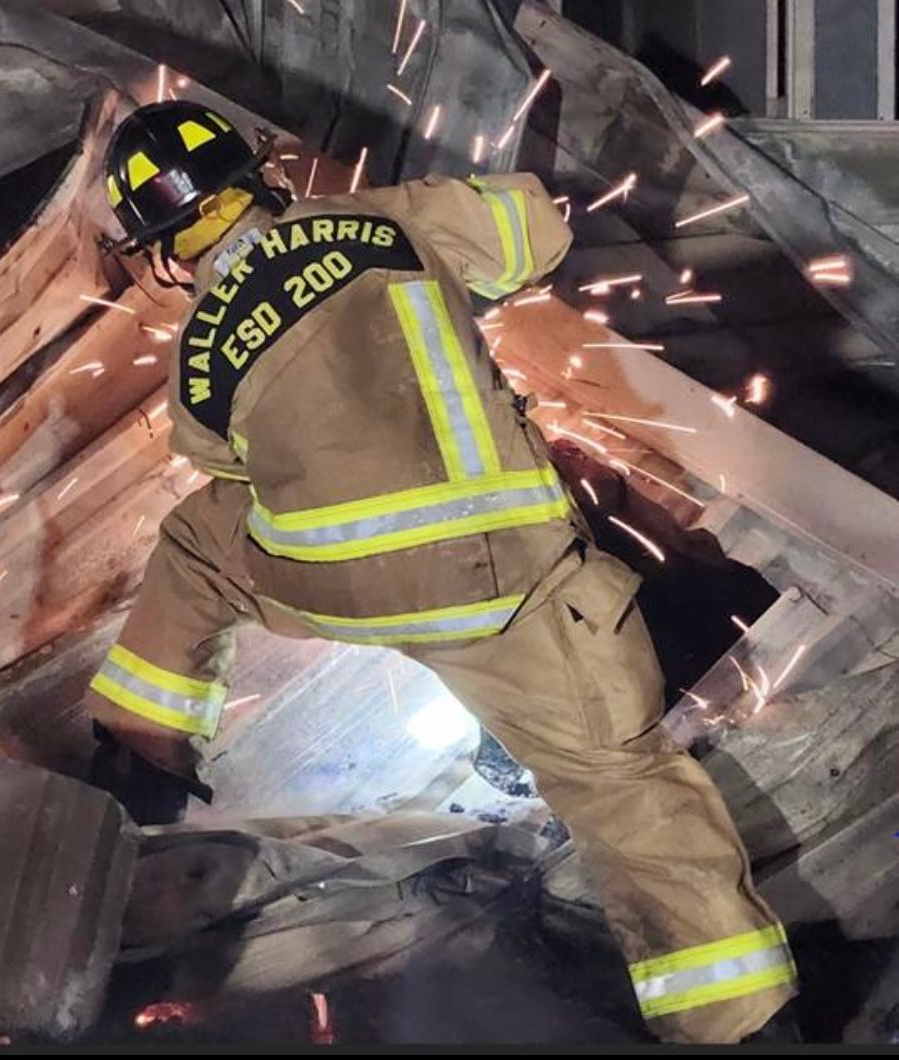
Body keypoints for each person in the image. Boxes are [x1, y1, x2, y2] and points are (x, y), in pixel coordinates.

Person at [86, 99, 797, 1044]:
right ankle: (737, 1023)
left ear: (167, 247)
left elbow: (230, 465)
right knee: (617, 784)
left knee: (200, 542)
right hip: (504, 583)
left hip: (338, 585)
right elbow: (536, 226)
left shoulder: (196, 364)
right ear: (260, 172)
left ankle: (145, 754)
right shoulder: (380, 224)